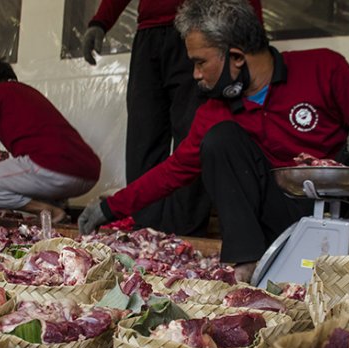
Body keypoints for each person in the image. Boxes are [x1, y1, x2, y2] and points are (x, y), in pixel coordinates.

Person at [78, 0, 349, 282]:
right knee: (220, 141)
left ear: (235, 57)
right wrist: (109, 208)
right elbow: (172, 172)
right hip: (275, 212)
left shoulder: (322, 66)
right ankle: (249, 262)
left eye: (200, 62)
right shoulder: (216, 112)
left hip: (338, 205)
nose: (195, 75)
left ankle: (337, 260)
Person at [80, 0, 262, 236]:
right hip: (149, 34)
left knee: (192, 135)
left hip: (197, 28)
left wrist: (254, 33)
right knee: (142, 137)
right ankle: (144, 234)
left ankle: (186, 234)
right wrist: (101, 21)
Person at [0, 60, 101, 223]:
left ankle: (47, 211)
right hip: (87, 175)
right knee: (23, 178)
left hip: (52, 168)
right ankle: (57, 211)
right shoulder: (28, 92)